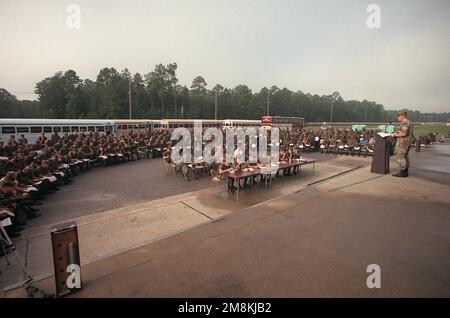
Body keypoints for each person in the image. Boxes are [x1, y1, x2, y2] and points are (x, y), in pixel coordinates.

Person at [391, 111, 413, 177]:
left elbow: (404, 133)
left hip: (403, 143)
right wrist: (396, 133)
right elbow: (403, 132)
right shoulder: (407, 122)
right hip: (405, 142)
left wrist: (394, 135)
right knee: (405, 156)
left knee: (400, 156)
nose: (397, 118)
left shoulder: (405, 122)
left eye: (398, 116)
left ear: (403, 116)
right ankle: (405, 171)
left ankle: (403, 172)